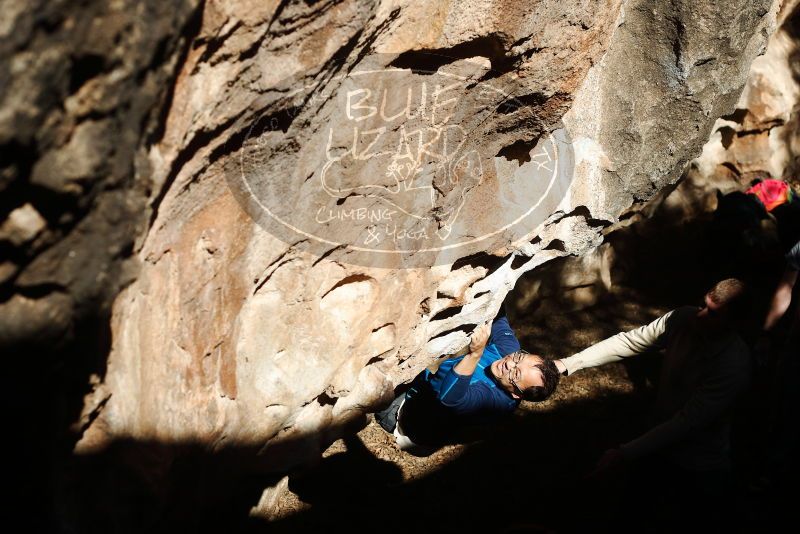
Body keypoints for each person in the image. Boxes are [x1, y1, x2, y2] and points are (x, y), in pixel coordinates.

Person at [553, 279, 753, 531]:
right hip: (655, 446)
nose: (699, 315)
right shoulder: (682, 318)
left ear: (735, 323)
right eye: (702, 304)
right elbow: (630, 342)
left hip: (699, 465)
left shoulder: (733, 365)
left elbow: (687, 422)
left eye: (712, 314)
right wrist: (568, 363)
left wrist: (625, 452)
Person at [375, 306, 560, 455]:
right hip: (423, 393)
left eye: (516, 375)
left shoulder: (495, 403)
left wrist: (475, 354)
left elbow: (448, 397)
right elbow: (499, 315)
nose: (509, 364)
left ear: (515, 394)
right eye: (519, 358)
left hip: (405, 419)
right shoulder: (509, 351)